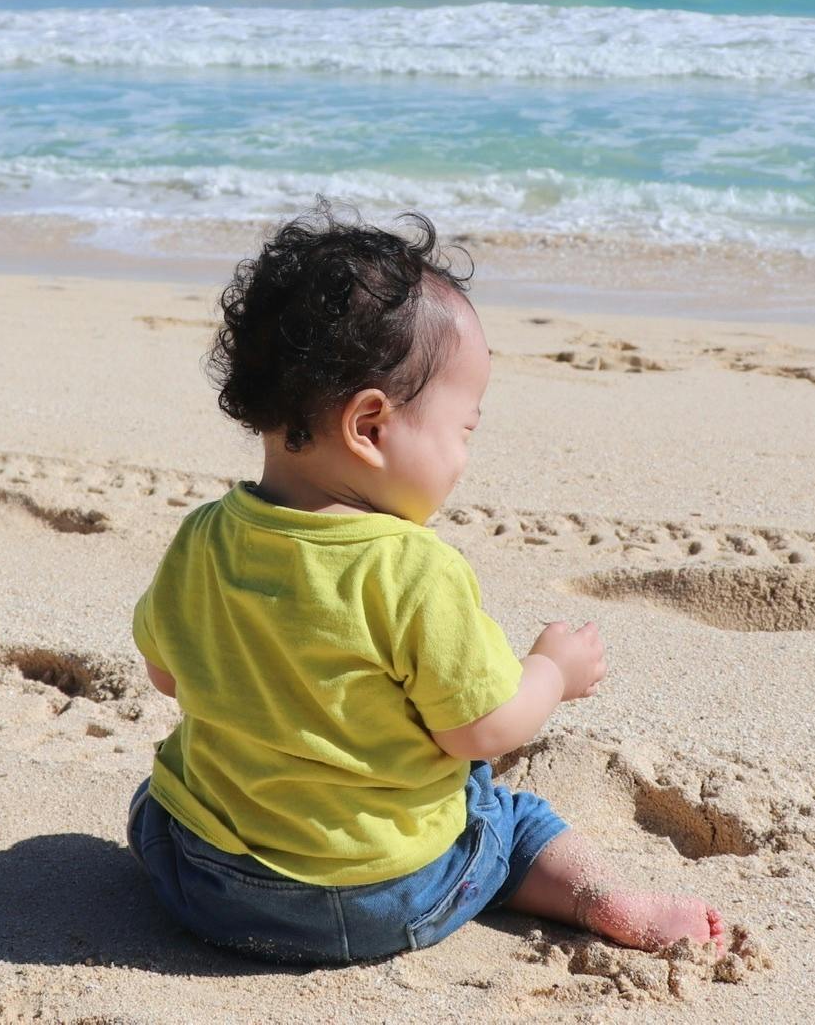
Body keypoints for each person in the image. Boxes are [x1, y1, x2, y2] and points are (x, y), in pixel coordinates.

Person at [127, 205, 726, 964]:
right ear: (370, 427)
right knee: (507, 814)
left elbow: (167, 675)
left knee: (158, 801)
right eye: (463, 431)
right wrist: (551, 671)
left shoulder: (203, 536)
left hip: (208, 885)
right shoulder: (413, 569)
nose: (464, 457)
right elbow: (480, 730)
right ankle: (602, 898)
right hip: (381, 898)